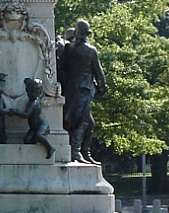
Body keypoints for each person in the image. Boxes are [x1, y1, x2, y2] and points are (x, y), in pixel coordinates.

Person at [58, 19, 108, 164]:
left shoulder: (68, 48)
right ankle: (75, 151)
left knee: (88, 123)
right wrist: (102, 88)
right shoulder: (90, 50)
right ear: (87, 33)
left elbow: (61, 67)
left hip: (69, 89)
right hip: (84, 90)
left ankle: (85, 153)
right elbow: (99, 73)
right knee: (83, 122)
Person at [10, 77, 56, 159]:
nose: (34, 94)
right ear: (27, 91)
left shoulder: (34, 103)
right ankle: (37, 139)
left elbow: (26, 115)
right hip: (33, 128)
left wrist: (15, 112)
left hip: (42, 125)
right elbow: (41, 94)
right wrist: (28, 82)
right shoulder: (37, 97)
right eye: (31, 92)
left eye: (36, 92)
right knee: (27, 140)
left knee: (39, 135)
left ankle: (50, 147)